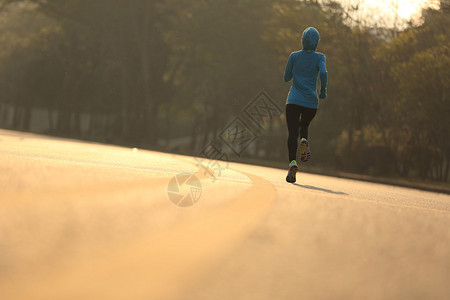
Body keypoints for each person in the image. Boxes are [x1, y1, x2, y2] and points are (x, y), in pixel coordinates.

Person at [284, 27, 328, 183]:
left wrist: (296, 72)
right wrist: (323, 90)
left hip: (294, 101)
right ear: (316, 42)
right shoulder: (320, 57)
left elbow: (286, 77)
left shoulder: (294, 56)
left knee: (292, 132)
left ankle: (292, 163)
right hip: (311, 102)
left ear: (302, 40)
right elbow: (323, 73)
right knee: (304, 126)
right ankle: (304, 140)